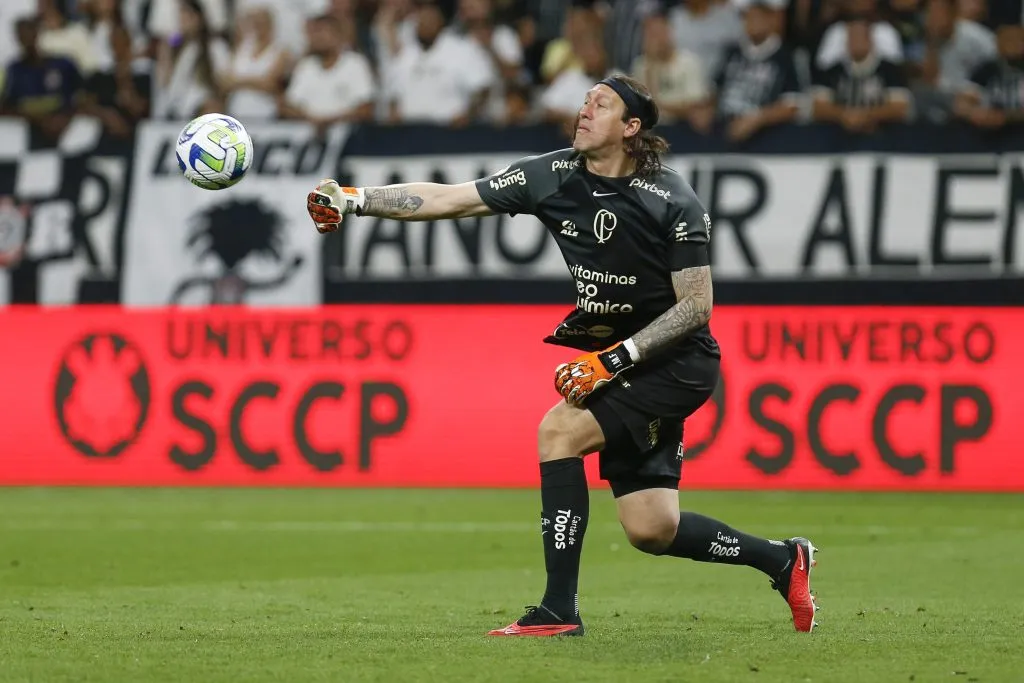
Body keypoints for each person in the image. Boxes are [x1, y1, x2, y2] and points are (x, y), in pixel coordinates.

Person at [305, 74, 820, 637]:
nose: (584, 110)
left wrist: (613, 360)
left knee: (559, 431)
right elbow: (450, 197)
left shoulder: (673, 199)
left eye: (602, 104)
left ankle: (557, 611)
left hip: (677, 364)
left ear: (631, 128)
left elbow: (696, 306)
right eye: (584, 101)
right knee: (652, 528)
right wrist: (356, 200)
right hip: (621, 361)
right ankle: (781, 559)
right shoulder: (550, 175)